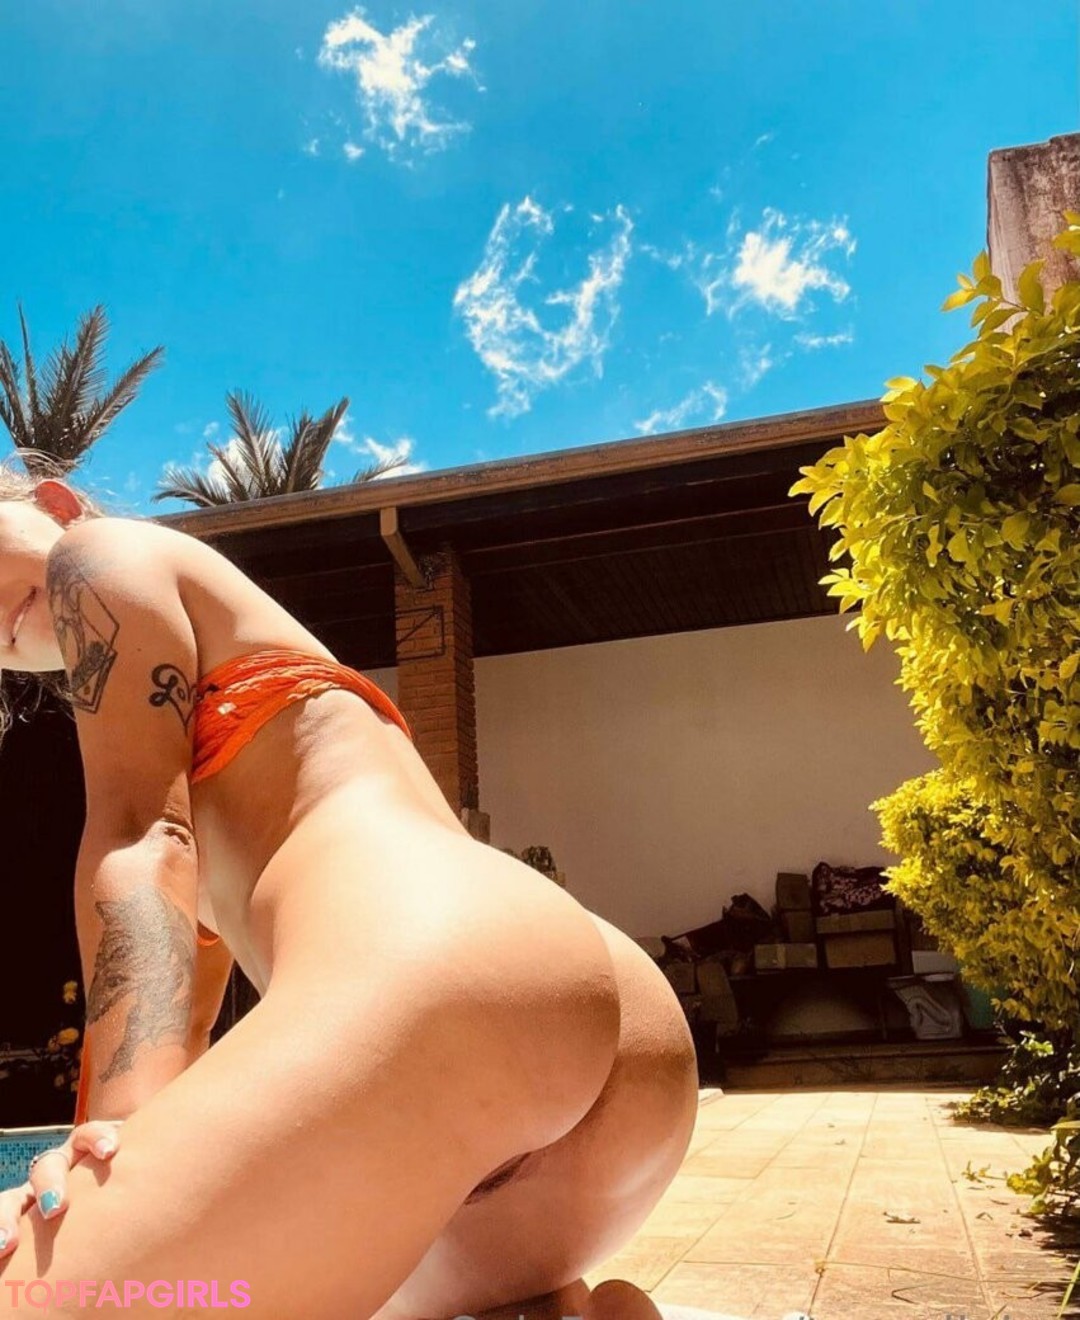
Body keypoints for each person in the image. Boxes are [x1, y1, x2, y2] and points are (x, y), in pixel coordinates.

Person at [0, 471, 700, 1319]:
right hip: (599, 1052)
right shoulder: (236, 732)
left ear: (56, 504)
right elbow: (178, 1019)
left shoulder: (95, 552)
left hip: (433, 973)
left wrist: (107, 1158)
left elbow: (144, 838)